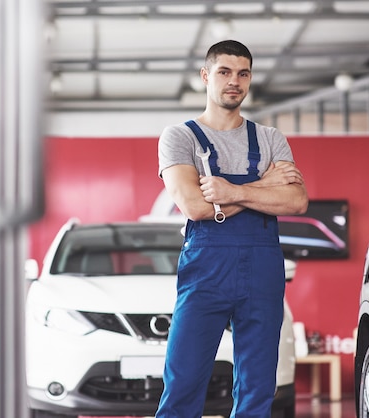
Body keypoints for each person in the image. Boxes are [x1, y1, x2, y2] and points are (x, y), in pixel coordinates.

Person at [155, 40, 308, 418]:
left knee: (258, 386)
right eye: (224, 72)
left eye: (243, 73)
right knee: (183, 379)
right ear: (206, 76)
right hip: (206, 269)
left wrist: (230, 192)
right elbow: (194, 206)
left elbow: (296, 202)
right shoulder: (180, 137)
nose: (234, 81)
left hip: (262, 269)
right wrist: (264, 186)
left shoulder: (271, 138)